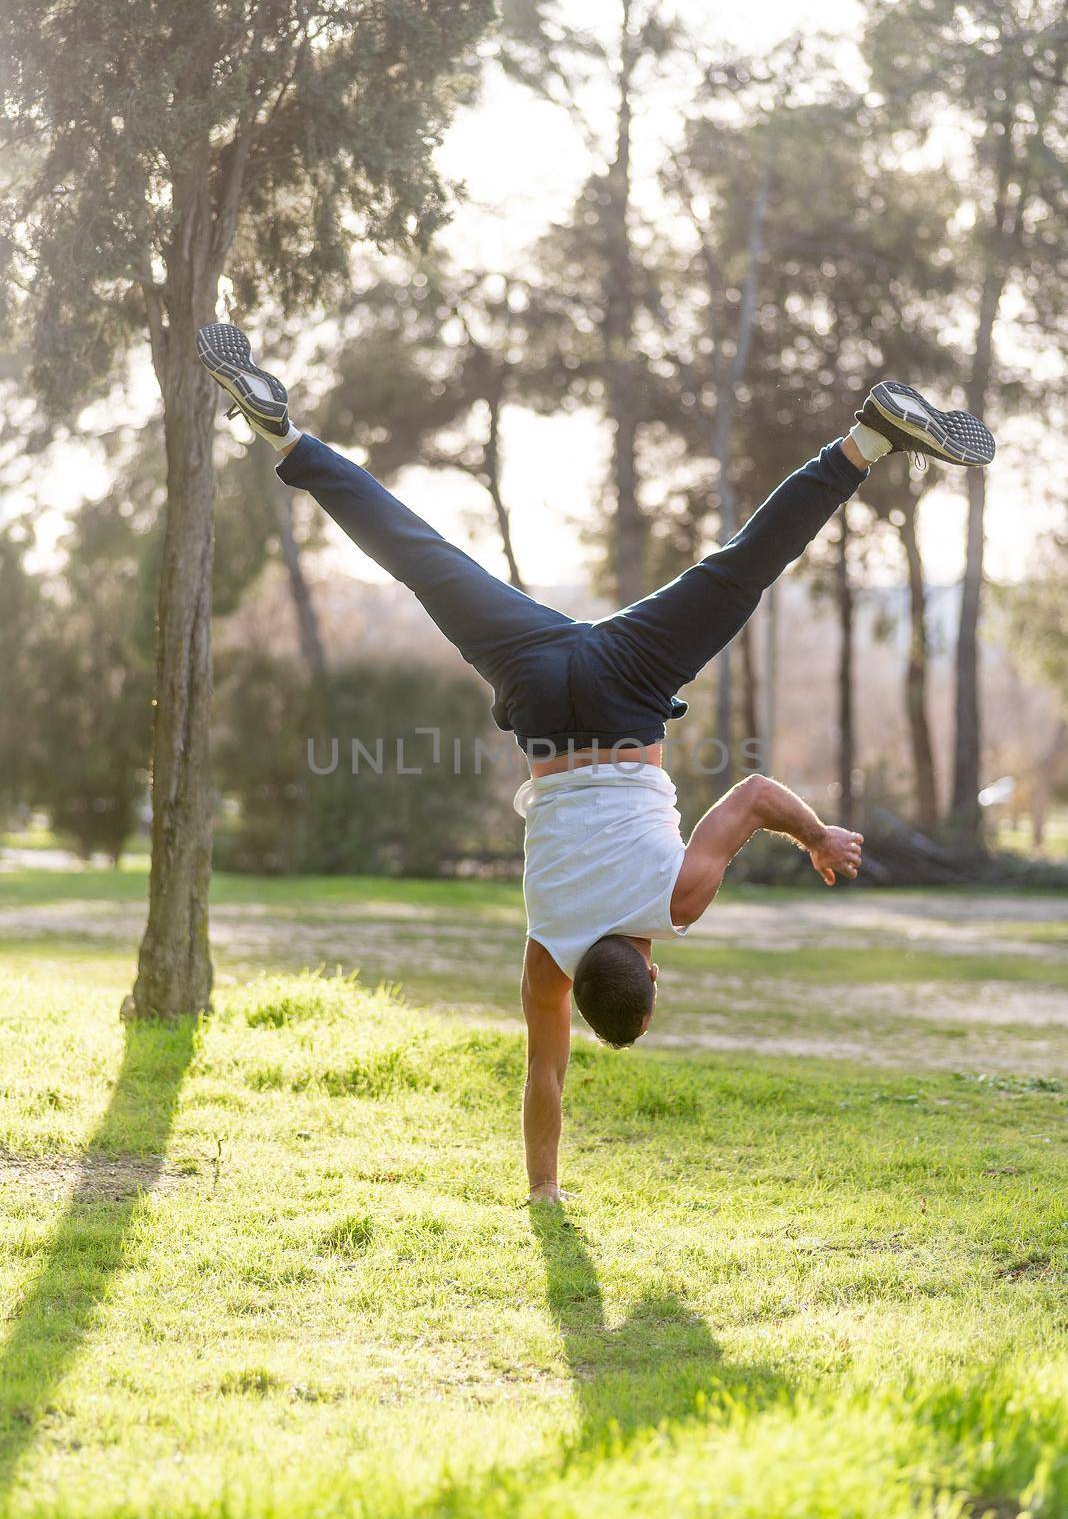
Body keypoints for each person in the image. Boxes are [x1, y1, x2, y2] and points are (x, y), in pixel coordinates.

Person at [196, 323, 996, 1204]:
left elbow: (756, 793)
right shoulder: (547, 956)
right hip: (538, 692)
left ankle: (866, 440)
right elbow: (544, 1081)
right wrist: (542, 1192)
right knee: (422, 559)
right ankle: (287, 439)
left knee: (742, 572)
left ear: (651, 972)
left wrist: (814, 837)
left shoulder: (675, 903)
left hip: (627, 686)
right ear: (585, 984)